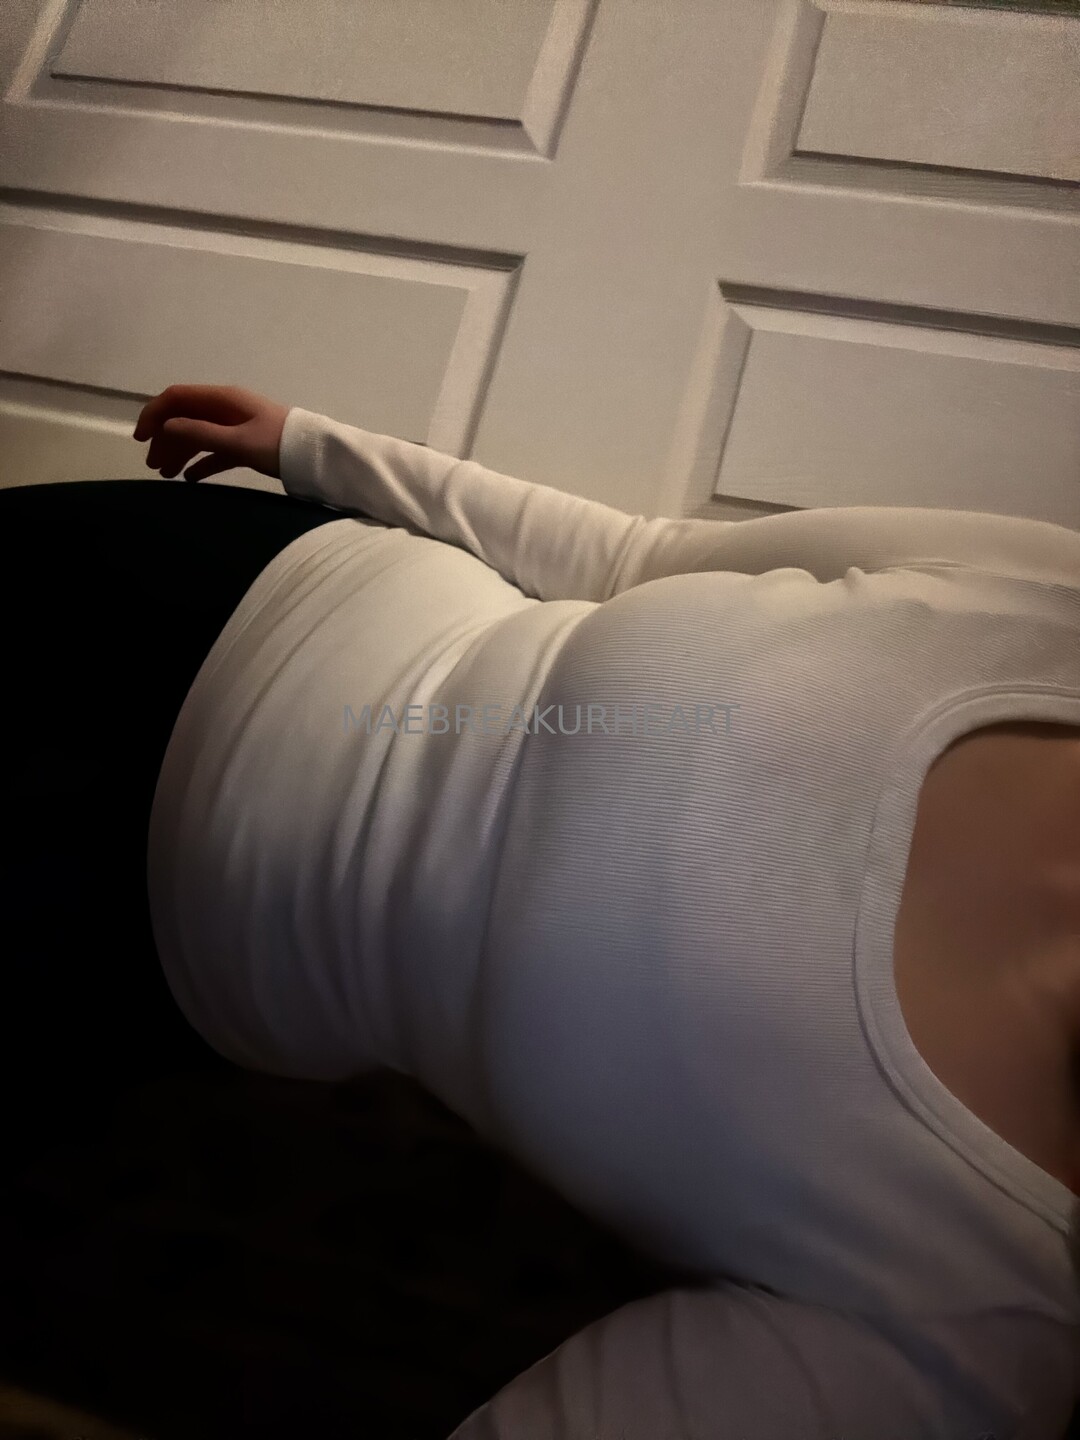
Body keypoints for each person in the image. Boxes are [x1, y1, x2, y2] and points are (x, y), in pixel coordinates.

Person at [3, 382, 1078, 1438]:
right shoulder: (1056, 603)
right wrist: (316, 448)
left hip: (136, 924)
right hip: (247, 574)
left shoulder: (976, 1319)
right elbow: (636, 555)